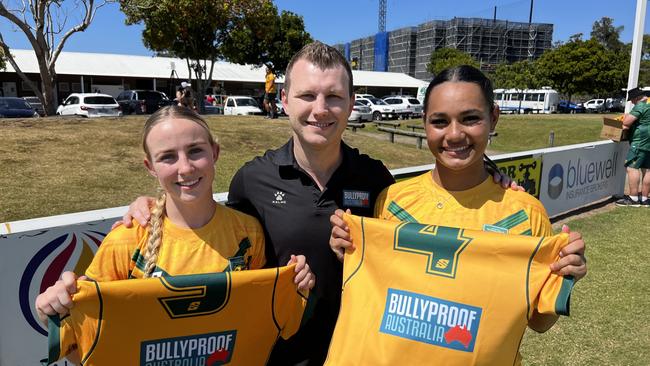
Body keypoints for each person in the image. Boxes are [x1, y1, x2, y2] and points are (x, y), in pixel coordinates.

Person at [120, 43, 525, 365]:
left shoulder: (376, 180)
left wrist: (491, 177)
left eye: (333, 96)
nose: (320, 109)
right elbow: (215, 236)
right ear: (284, 100)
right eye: (307, 95)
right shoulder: (253, 179)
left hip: (363, 354)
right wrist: (155, 204)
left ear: (351, 102)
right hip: (279, 356)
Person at [329, 65, 587, 356]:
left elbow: (539, 322)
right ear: (424, 121)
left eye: (470, 119)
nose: (454, 134)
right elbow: (379, 295)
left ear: (493, 117)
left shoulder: (526, 214)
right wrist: (350, 253)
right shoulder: (392, 200)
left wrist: (565, 274)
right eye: (440, 121)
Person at [35, 106, 315, 361]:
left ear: (214, 152)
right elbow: (85, 352)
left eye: (195, 150)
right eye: (168, 157)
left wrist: (297, 287)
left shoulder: (248, 233)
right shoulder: (126, 241)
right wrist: (54, 314)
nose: (185, 167)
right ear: (150, 168)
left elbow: (262, 328)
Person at [616, 87, 650, 207]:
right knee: (647, 169)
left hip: (640, 140)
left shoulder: (640, 106)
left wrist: (625, 116)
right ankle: (645, 199)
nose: (632, 102)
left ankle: (633, 198)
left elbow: (626, 123)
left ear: (637, 98)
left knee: (632, 168)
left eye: (632, 100)